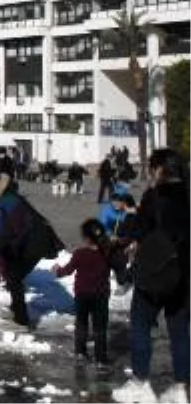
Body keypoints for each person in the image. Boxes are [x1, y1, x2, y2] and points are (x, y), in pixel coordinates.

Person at [113, 149, 191, 403]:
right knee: (180, 333)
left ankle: (140, 383)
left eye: (151, 167)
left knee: (140, 326)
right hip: (184, 276)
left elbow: (137, 229)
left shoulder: (154, 196)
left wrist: (126, 229)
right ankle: (180, 388)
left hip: (155, 275)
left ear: (159, 169)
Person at [0, 171, 63, 327]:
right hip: (30, 241)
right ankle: (16, 309)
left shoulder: (8, 203)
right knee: (11, 274)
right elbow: (1, 229)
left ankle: (22, 320)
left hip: (35, 243)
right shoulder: (7, 199)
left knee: (13, 276)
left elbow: (5, 234)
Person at [52, 219, 111, 367]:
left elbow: (67, 270)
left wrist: (57, 271)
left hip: (82, 294)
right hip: (101, 295)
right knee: (100, 327)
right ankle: (101, 360)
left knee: (81, 323)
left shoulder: (80, 254)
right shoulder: (107, 253)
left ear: (85, 238)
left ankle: (80, 352)